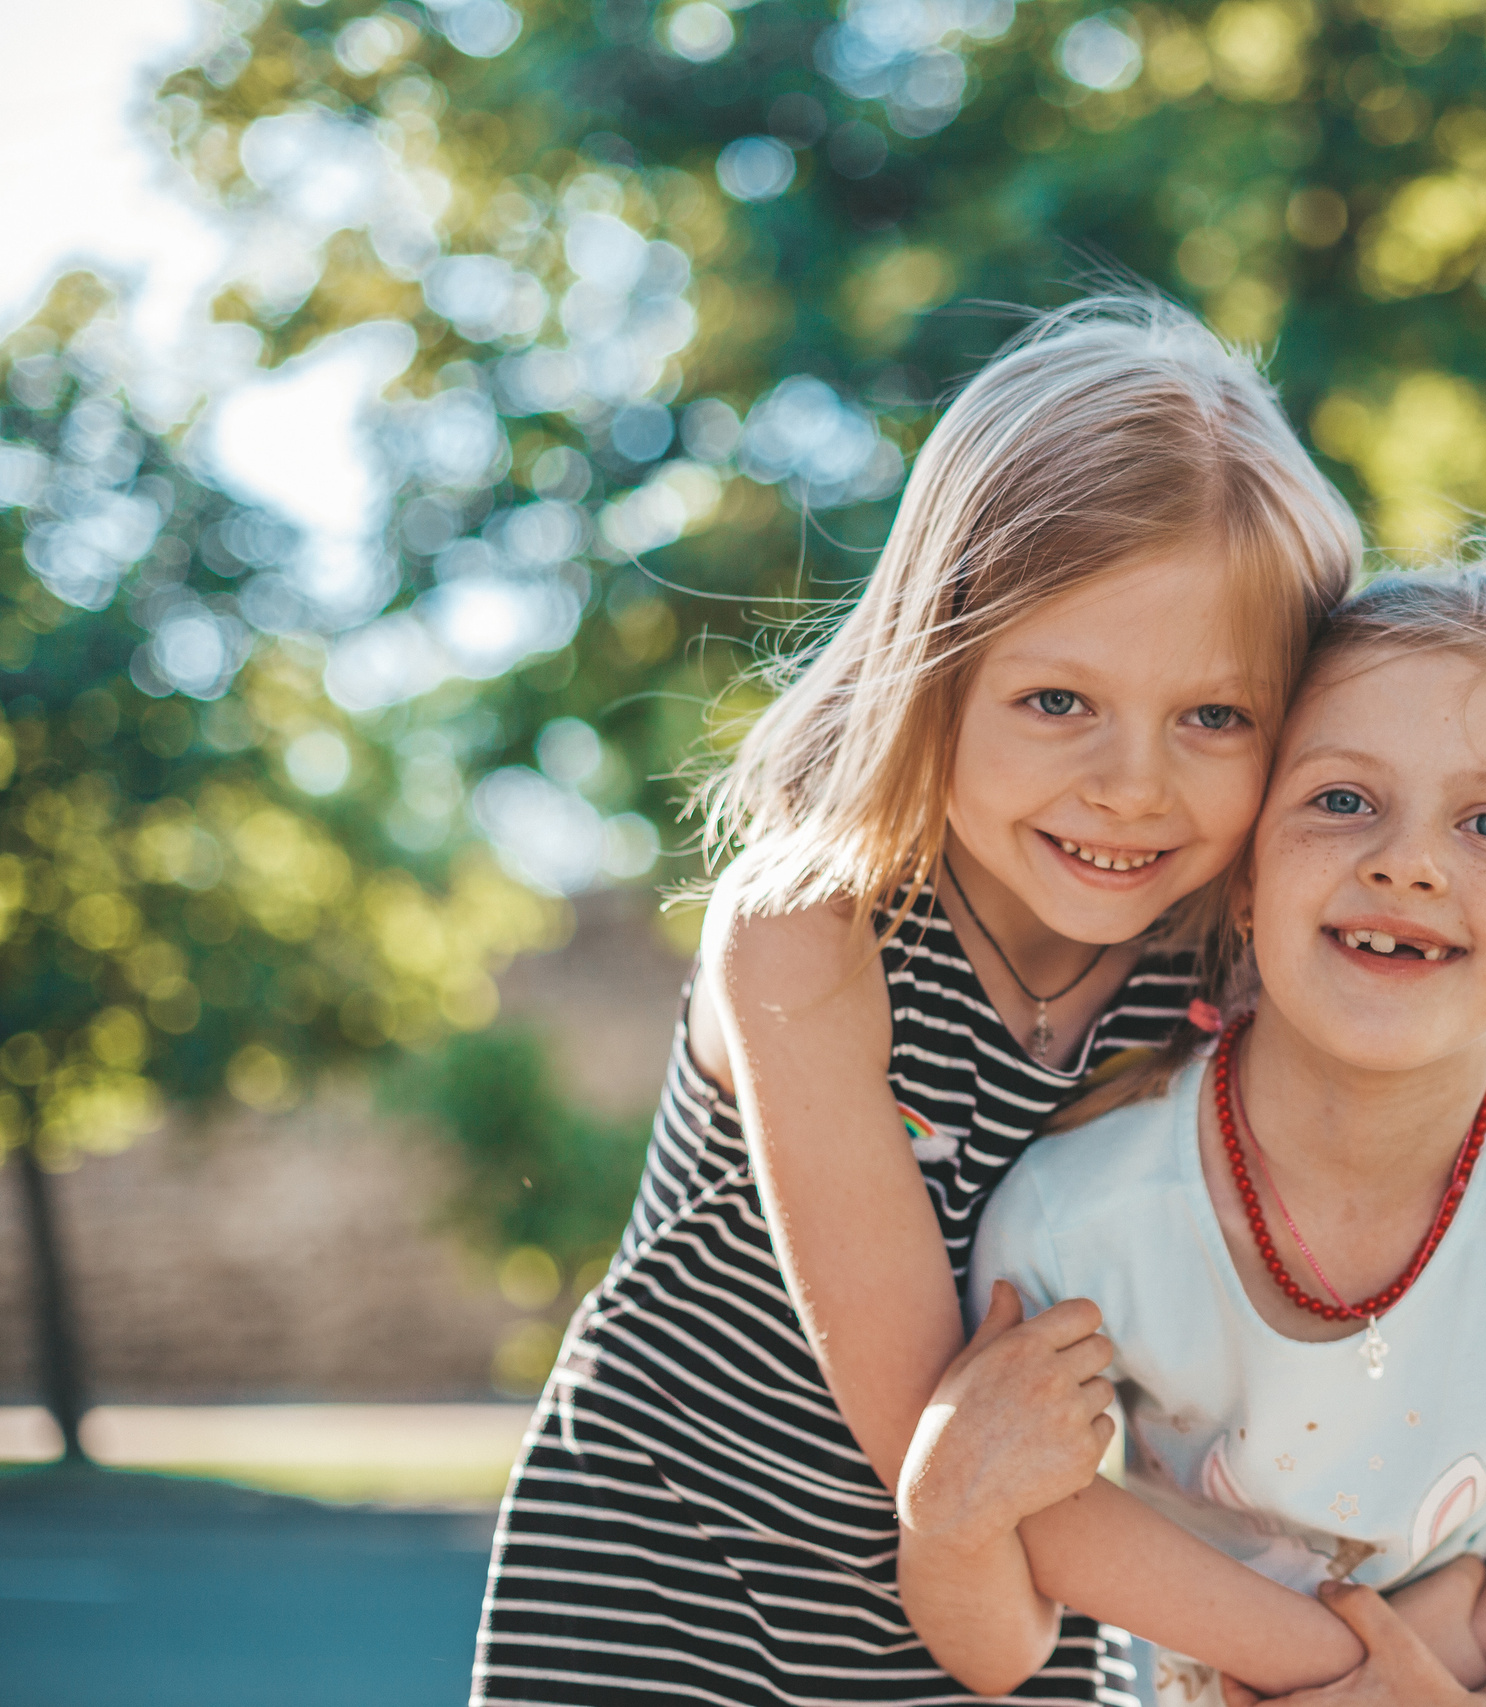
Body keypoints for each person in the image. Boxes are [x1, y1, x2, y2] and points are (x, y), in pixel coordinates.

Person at [469, 296, 1365, 1706]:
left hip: (1010, 1606)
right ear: (938, 672)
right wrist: (1366, 1669)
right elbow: (942, 1451)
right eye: (1058, 700)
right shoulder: (810, 934)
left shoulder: (1219, 964)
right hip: (682, 1607)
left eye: (1215, 716)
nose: (1133, 784)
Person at [907, 546, 1486, 1706]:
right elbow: (1036, 1525)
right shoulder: (1077, 1218)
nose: (1409, 862)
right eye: (1342, 801)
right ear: (1245, 871)